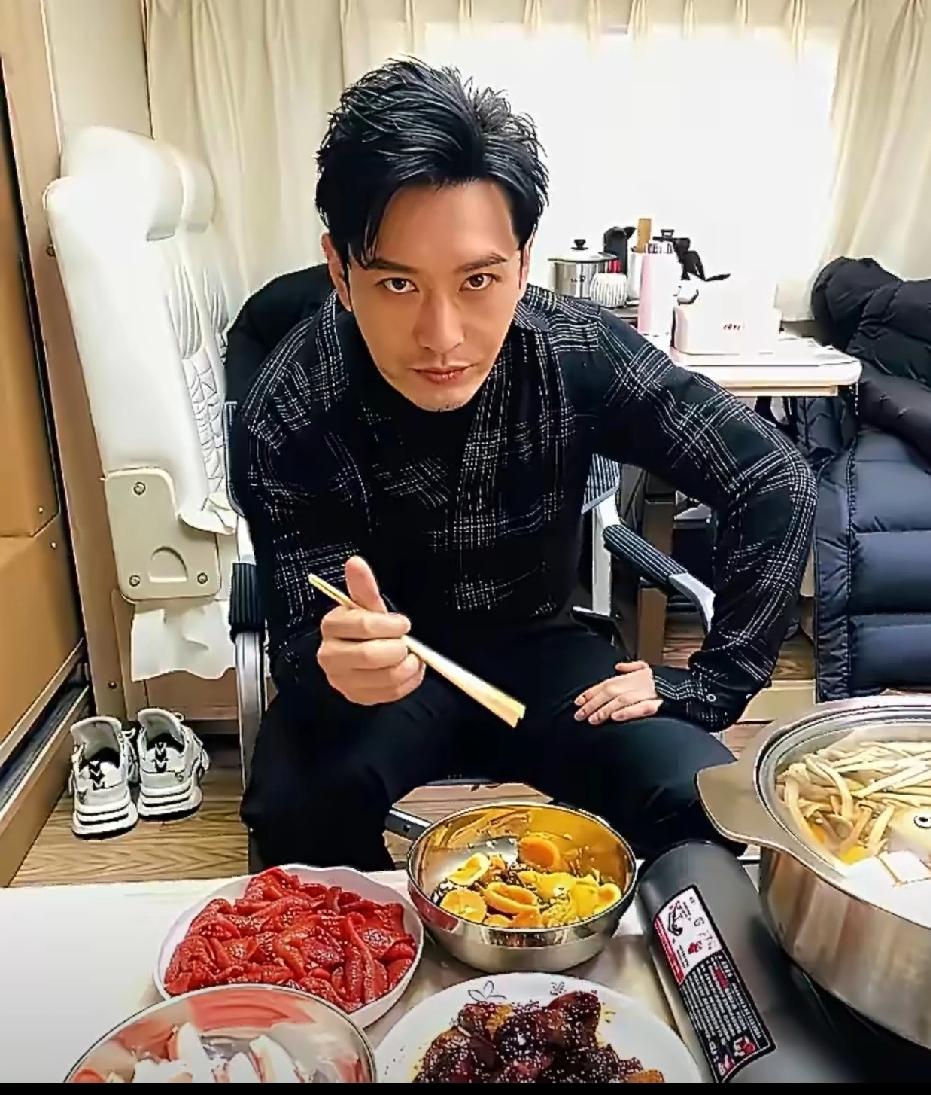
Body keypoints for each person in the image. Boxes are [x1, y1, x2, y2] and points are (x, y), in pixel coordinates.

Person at [230, 59, 815, 870]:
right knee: (294, 810)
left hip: (540, 646)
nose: (442, 336)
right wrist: (332, 659)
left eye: (478, 279)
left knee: (697, 797)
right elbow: (303, 625)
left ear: (523, 260)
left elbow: (771, 478)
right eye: (396, 283)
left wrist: (710, 681)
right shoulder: (291, 398)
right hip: (390, 671)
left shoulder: (573, 349)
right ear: (339, 268)